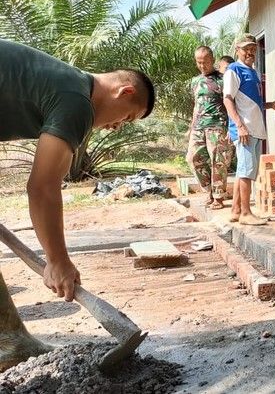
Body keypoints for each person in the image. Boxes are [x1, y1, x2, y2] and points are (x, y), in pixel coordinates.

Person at [0, 39, 155, 369]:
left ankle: (9, 340)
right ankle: (9, 341)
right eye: (127, 118)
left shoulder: (64, 82)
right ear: (124, 91)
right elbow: (42, 187)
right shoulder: (77, 101)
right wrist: (57, 260)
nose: (116, 127)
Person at [223, 34, 275, 225]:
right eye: (245, 49)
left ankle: (235, 211)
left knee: (245, 170)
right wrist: (240, 127)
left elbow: (252, 103)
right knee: (246, 171)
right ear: (237, 50)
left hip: (255, 128)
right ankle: (246, 214)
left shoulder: (254, 72)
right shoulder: (234, 70)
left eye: (253, 48)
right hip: (246, 130)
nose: (250, 52)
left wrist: (271, 105)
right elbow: (228, 99)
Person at [187, 46, 232, 209]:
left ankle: (219, 197)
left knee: (218, 161)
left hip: (218, 126)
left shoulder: (223, 79)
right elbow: (196, 106)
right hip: (198, 127)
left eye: (205, 62)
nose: (202, 66)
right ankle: (209, 191)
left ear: (212, 60)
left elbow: (230, 103)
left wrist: (230, 127)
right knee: (193, 158)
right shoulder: (195, 81)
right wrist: (192, 127)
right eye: (198, 62)